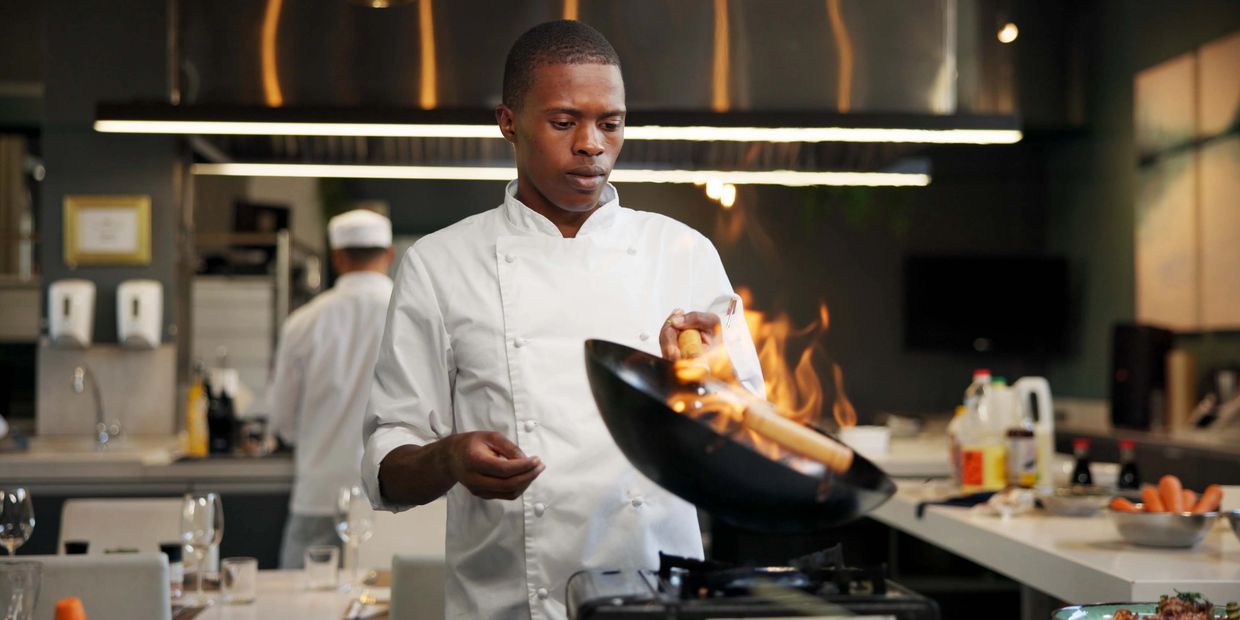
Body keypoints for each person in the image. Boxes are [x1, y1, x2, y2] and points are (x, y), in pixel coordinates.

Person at [361, 20, 763, 619]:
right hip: (506, 607)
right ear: (508, 123)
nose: (592, 145)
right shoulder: (441, 264)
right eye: (564, 121)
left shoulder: (682, 253)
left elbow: (752, 446)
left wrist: (702, 389)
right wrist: (448, 459)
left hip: (657, 603)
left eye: (610, 123)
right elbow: (387, 460)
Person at [270, 209, 396, 568]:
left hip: (320, 492)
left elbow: (282, 420)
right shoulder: (415, 312)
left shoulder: (303, 322)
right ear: (389, 254)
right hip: (394, 492)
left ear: (337, 257)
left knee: (306, 603)